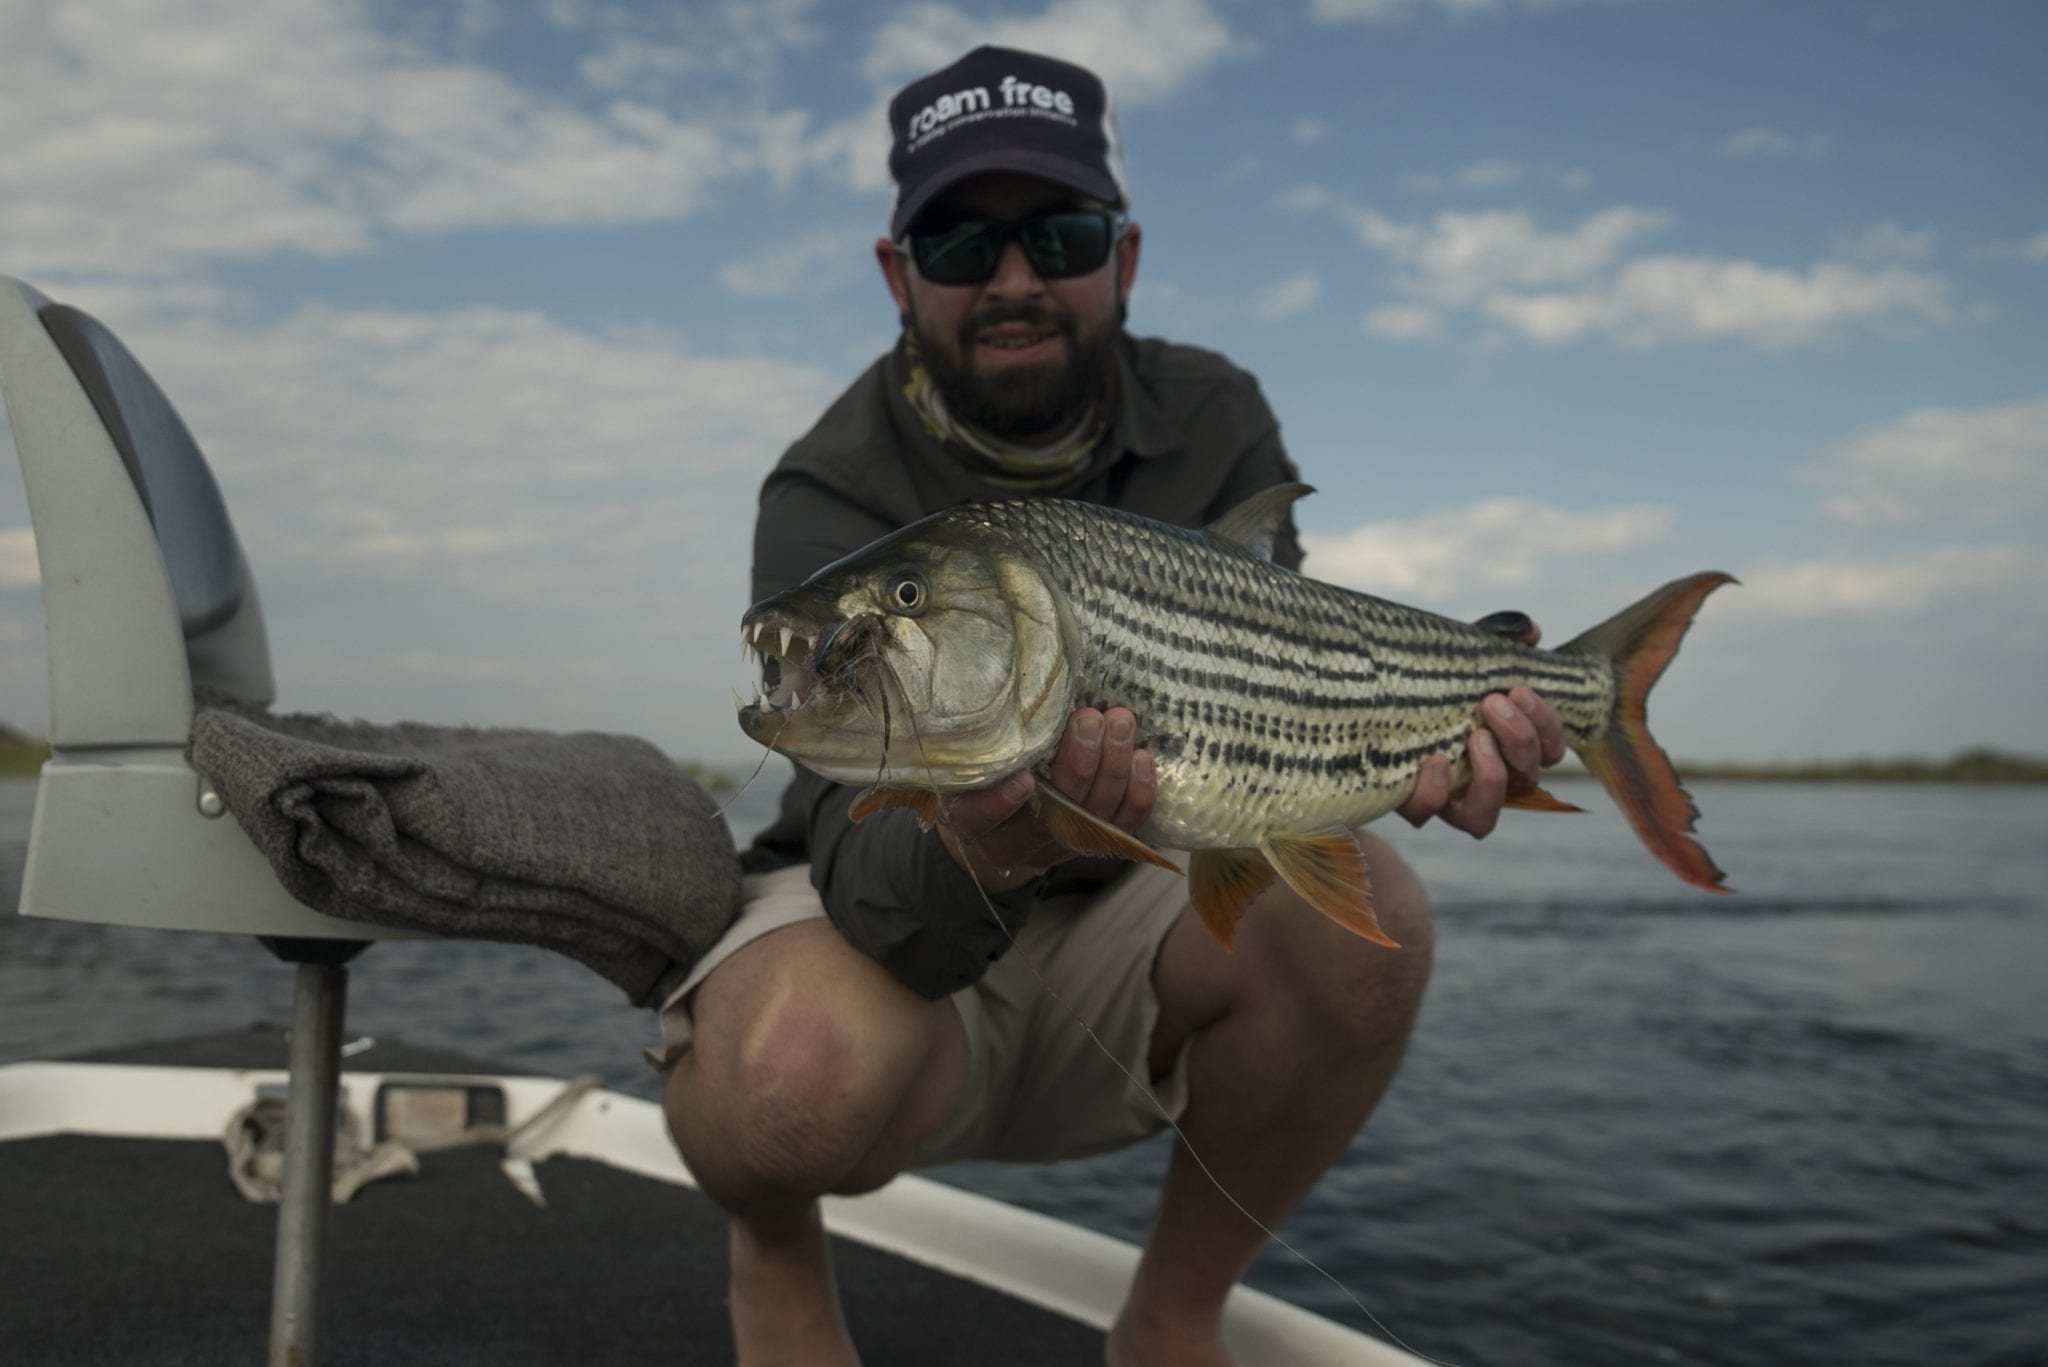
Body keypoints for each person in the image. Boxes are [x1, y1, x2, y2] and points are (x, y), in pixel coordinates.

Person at [657, 45, 1565, 1367]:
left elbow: (1293, 670)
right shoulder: (826, 487)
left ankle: (1173, 1315)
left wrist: (1424, 728)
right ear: (897, 271)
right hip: (892, 897)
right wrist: (1005, 829)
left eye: (1059, 234)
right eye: (961, 241)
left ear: (1122, 260)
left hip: (1155, 867)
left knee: (1375, 929)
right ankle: (777, 1255)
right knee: (793, 1085)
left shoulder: (1216, 410)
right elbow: (869, 887)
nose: (1013, 279)